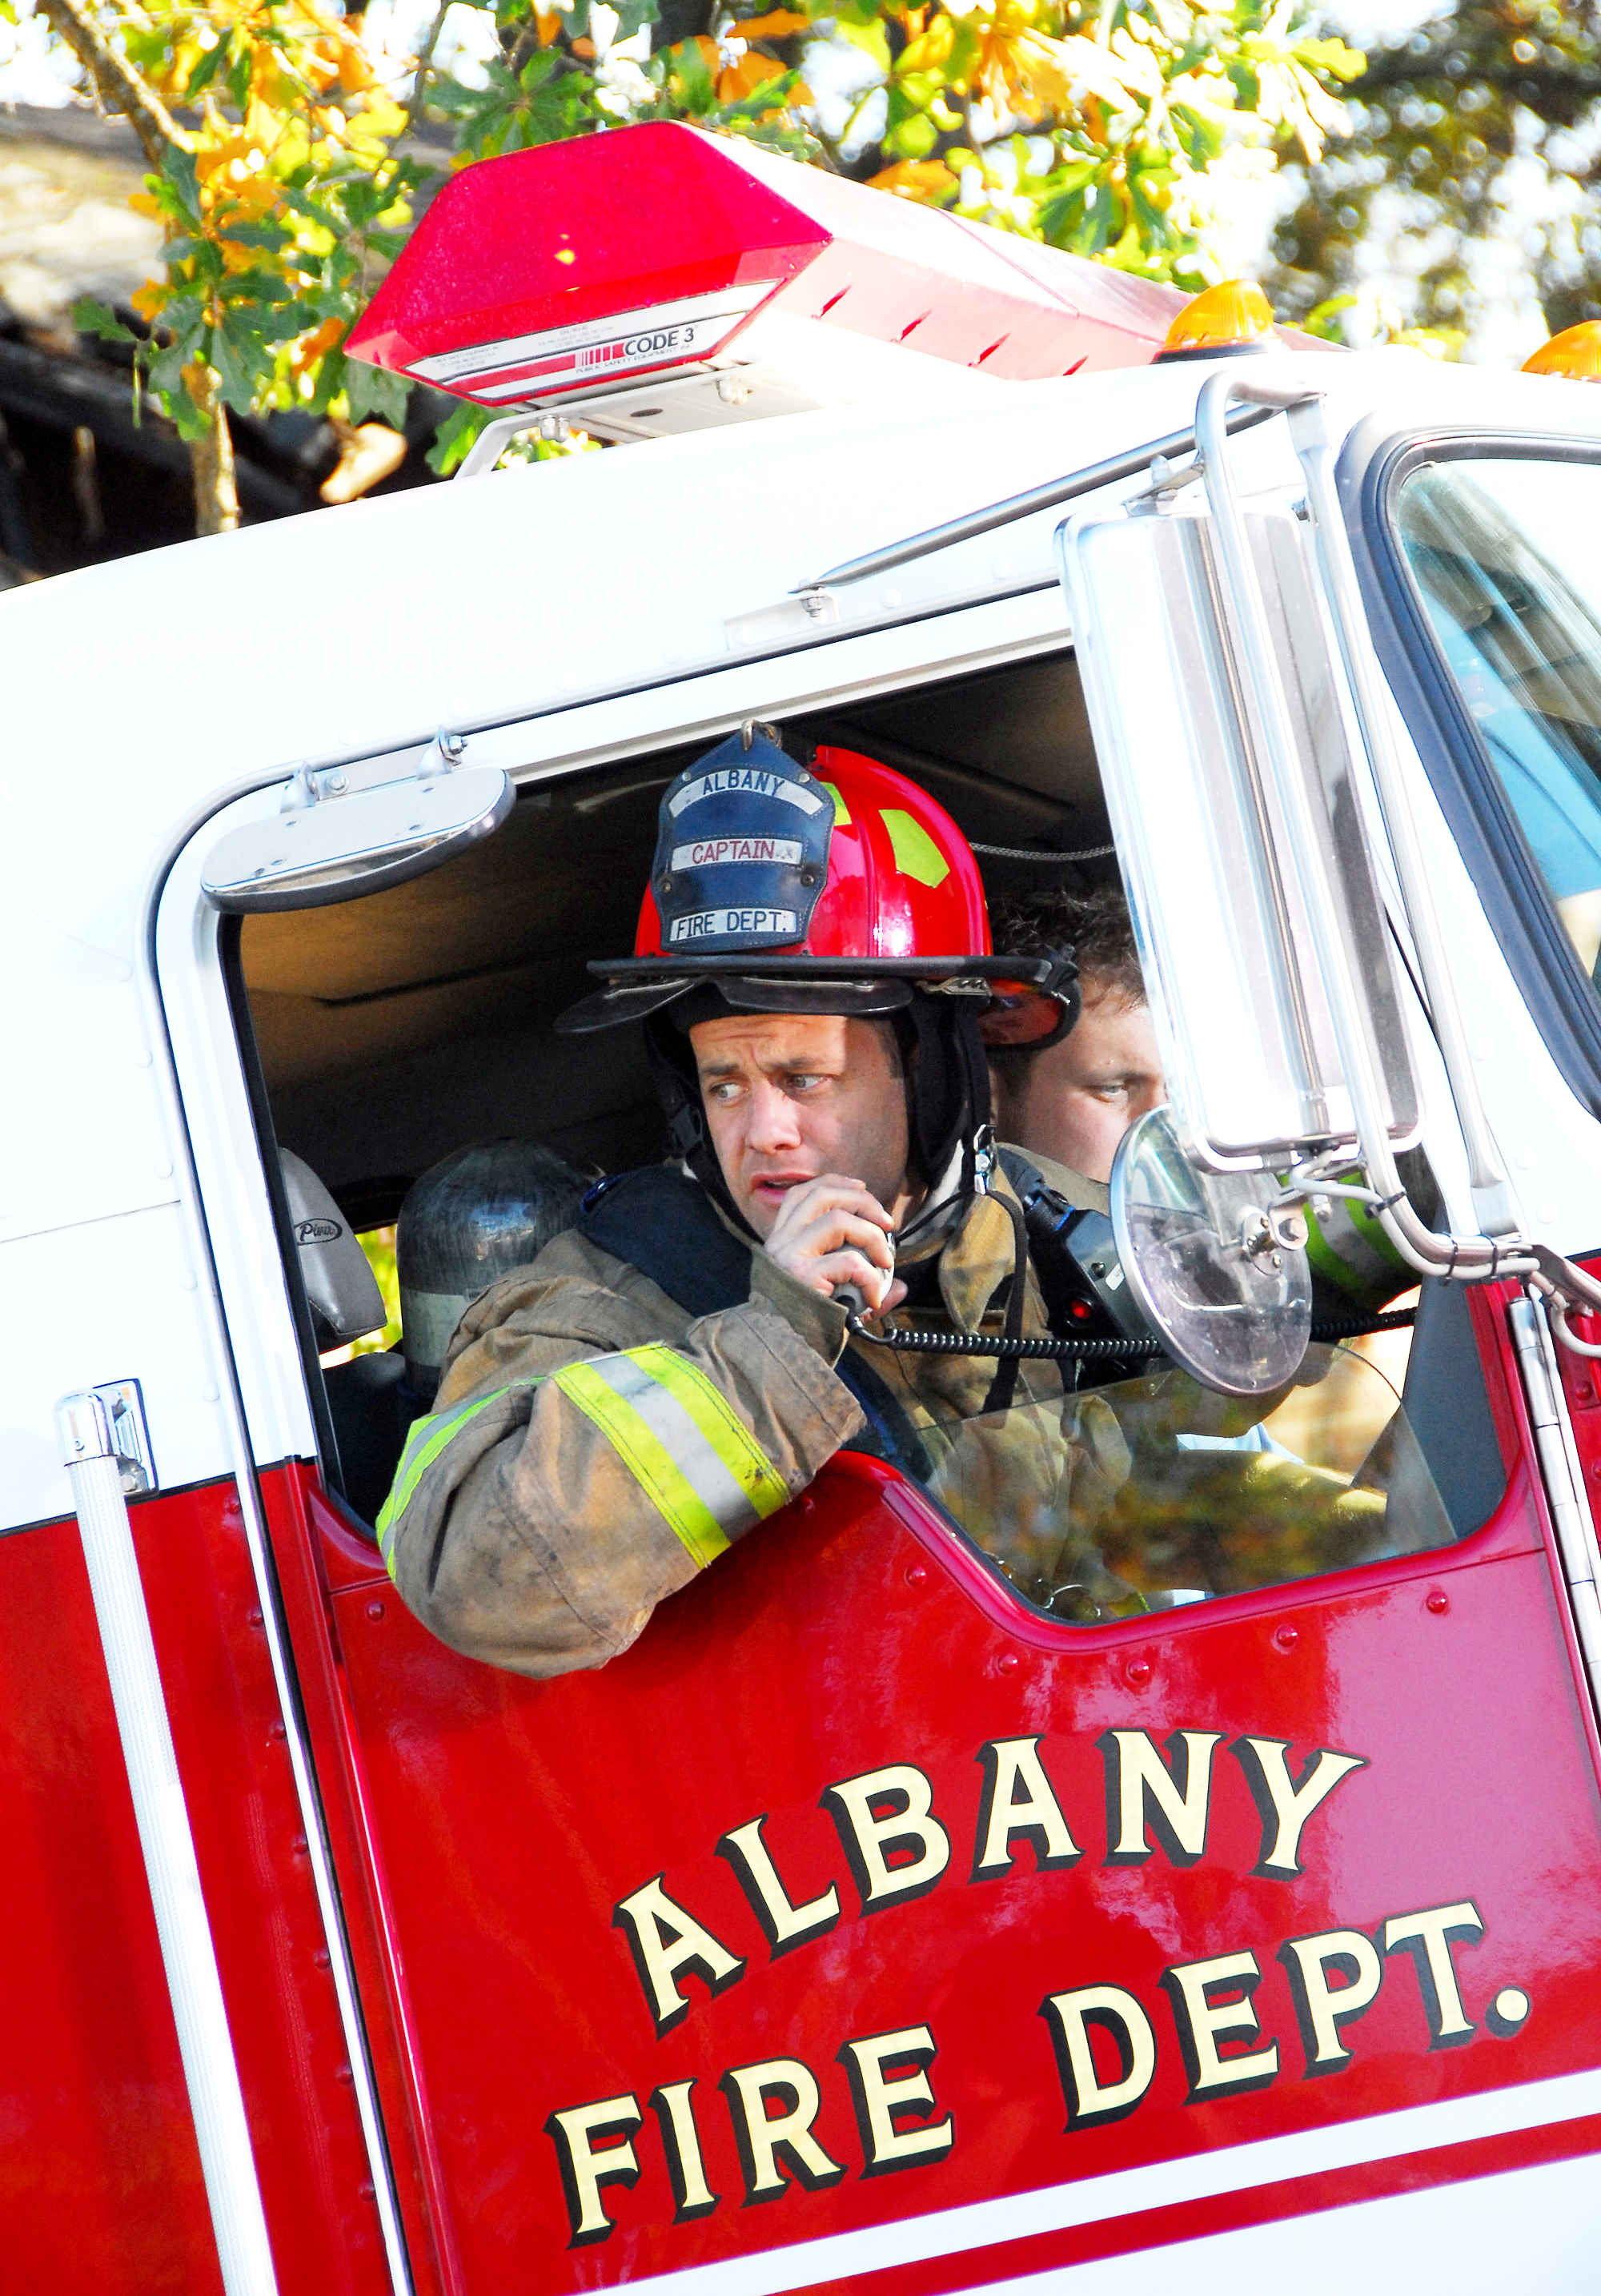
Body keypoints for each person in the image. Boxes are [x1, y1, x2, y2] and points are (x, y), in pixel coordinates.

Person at [374, 733, 1134, 1678]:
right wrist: (772, 1344)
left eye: (803, 1077)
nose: (762, 1129)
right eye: (725, 1084)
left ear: (933, 1074)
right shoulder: (600, 1294)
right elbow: (475, 1582)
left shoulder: (1021, 1223)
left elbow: (1205, 1423)